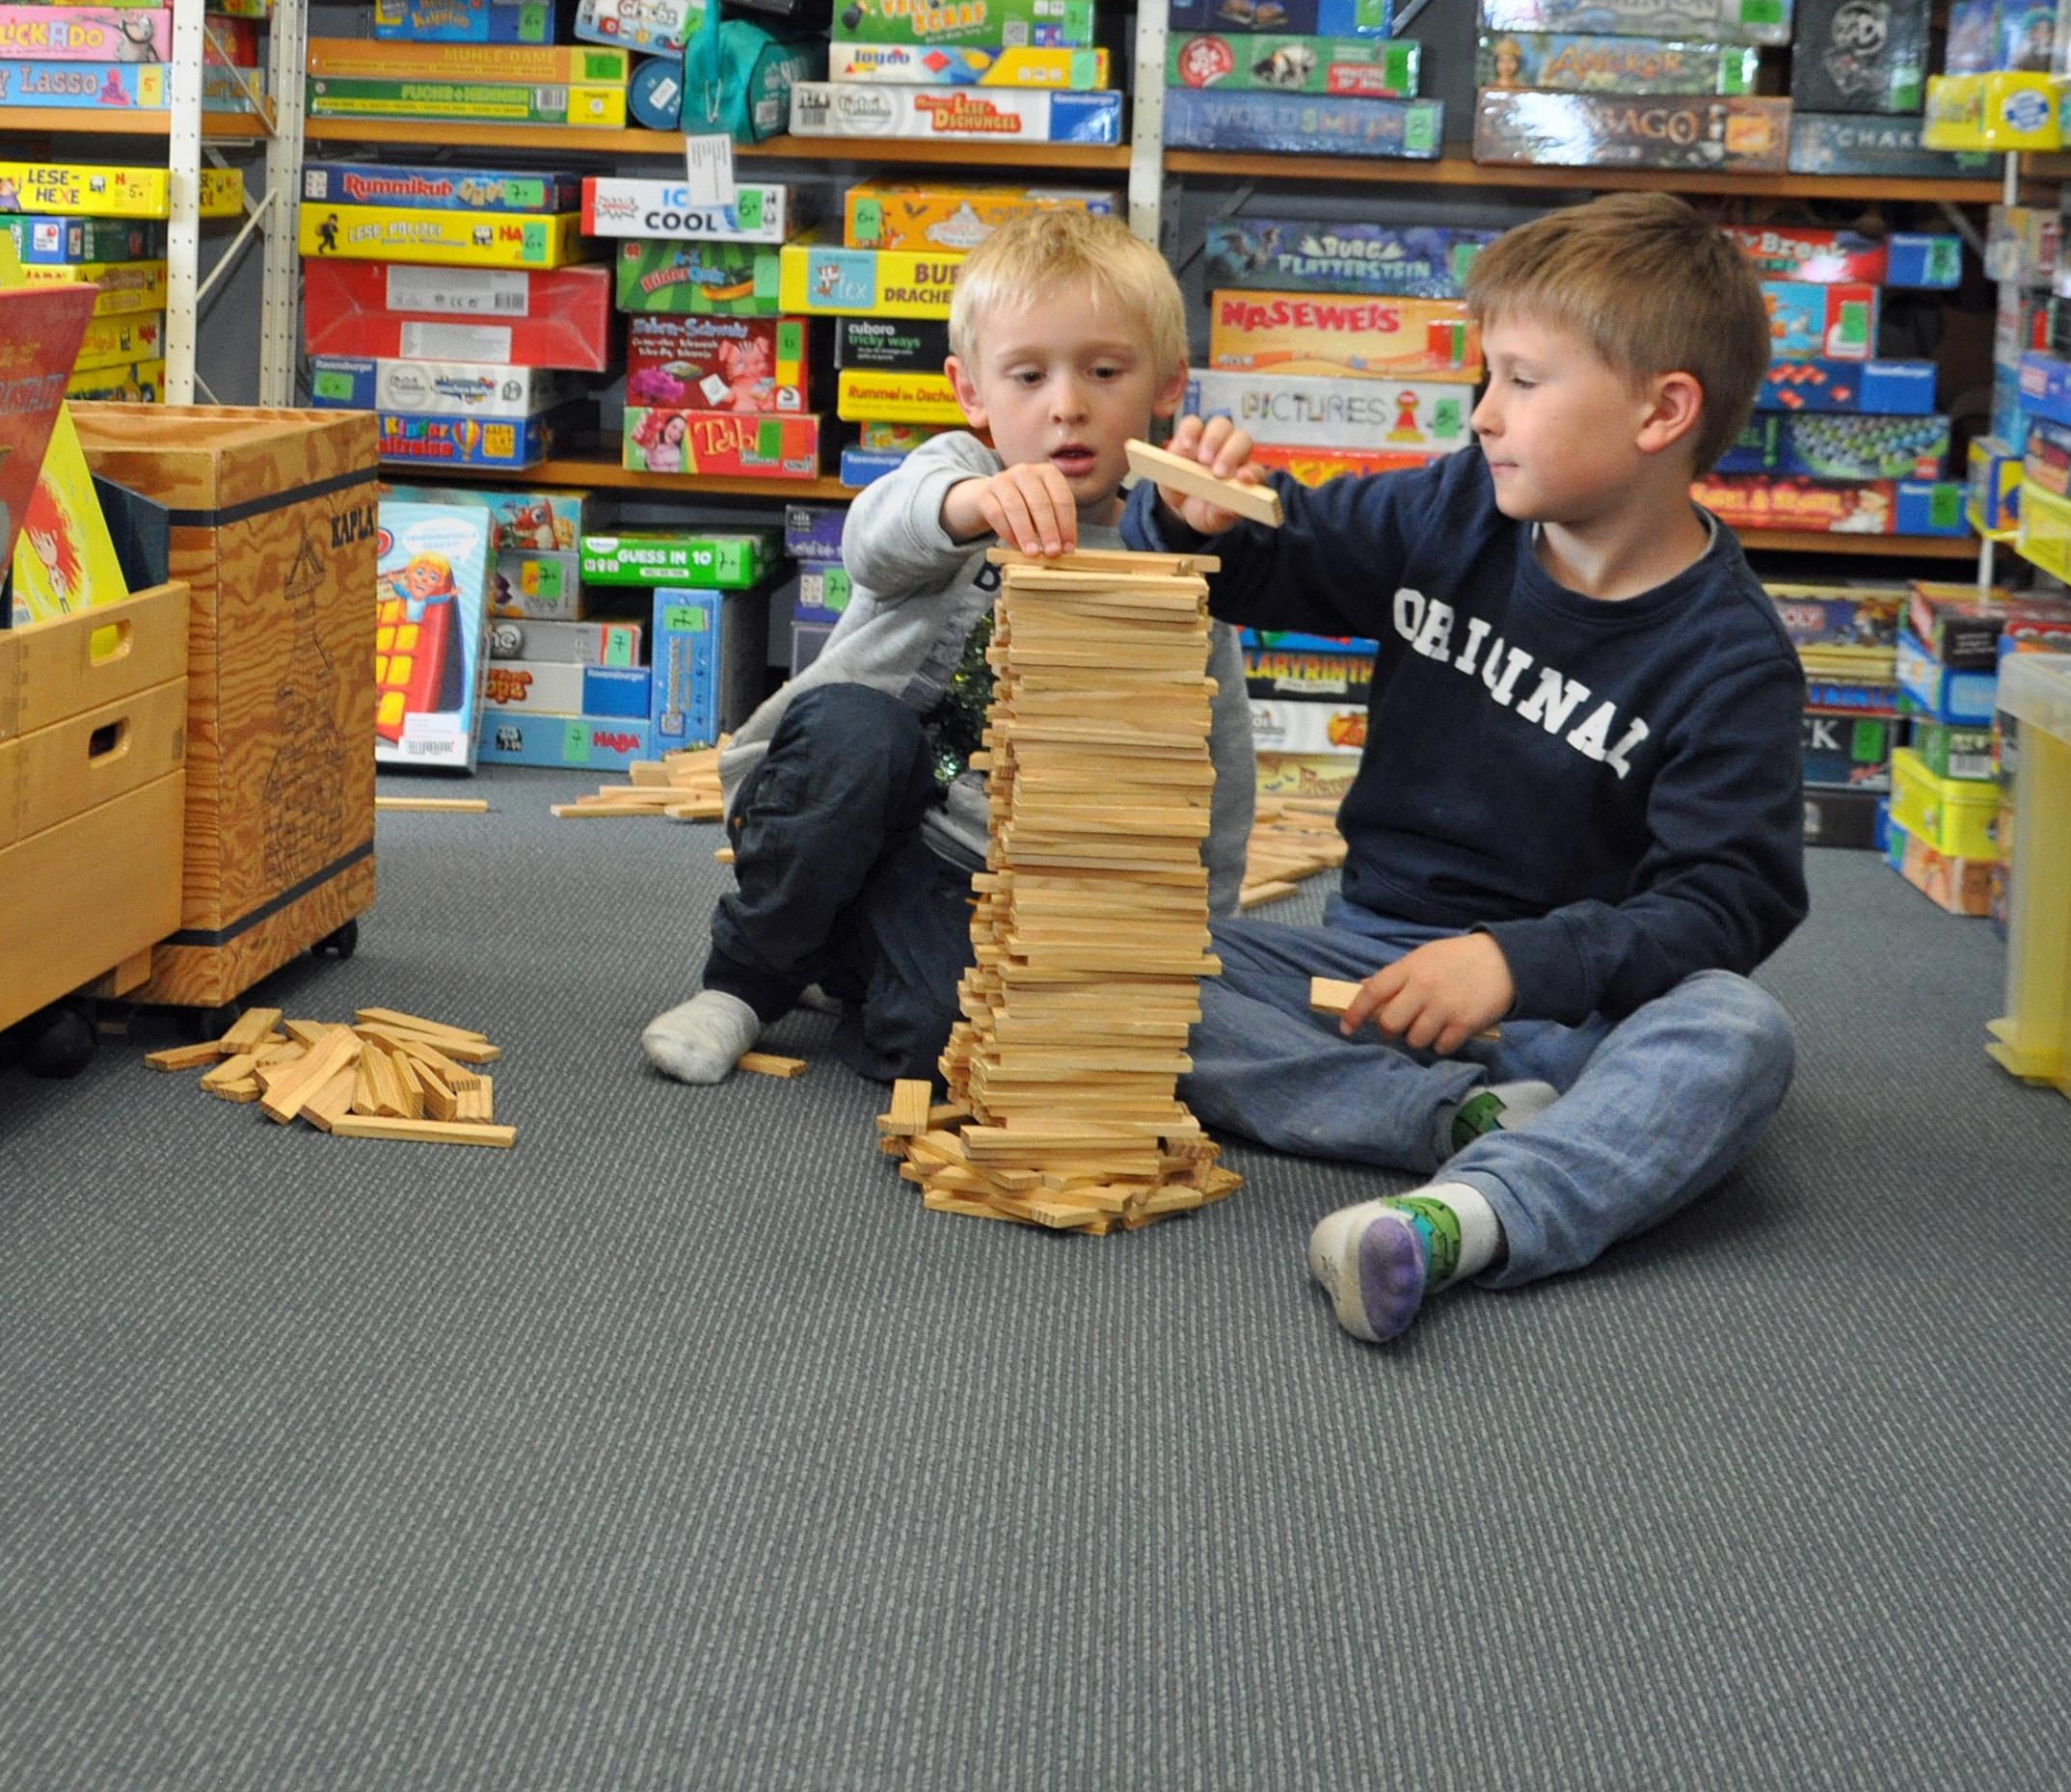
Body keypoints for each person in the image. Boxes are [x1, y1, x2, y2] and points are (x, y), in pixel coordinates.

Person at [1130, 193, 1805, 1347]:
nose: (1483, 412)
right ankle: (1460, 1120)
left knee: (1739, 1033)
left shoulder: (1731, 660)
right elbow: (1283, 556)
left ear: (1662, 410)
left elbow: (1725, 901)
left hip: (1571, 1006)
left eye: (1522, 381)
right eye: (1485, 376)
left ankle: (1462, 1219)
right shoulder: (1454, 505)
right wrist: (1204, 524)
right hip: (1370, 968)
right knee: (1114, 968)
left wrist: (1513, 960)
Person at [640, 203, 1255, 1087]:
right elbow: (874, 538)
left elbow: (1212, 763)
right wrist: (968, 509)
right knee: (863, 734)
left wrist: (1204, 933)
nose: (1067, 406)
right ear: (972, 392)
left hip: (966, 867)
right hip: (827, 800)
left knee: (940, 1048)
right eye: (1028, 376)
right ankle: (744, 981)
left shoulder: (1179, 562)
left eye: (1104, 371)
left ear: (1166, 385)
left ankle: (846, 952)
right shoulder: (956, 474)